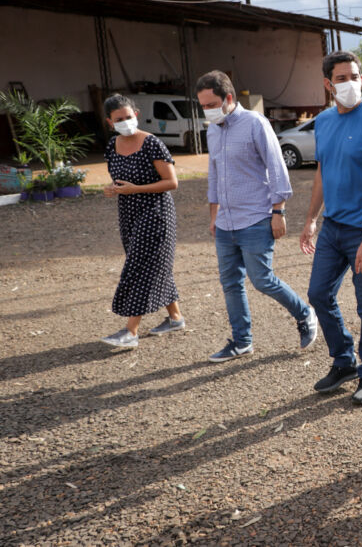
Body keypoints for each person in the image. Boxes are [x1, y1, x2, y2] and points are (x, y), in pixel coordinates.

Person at [197, 70, 317, 363]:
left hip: (256, 218)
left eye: (212, 104)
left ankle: (305, 314)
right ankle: (242, 341)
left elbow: (277, 167)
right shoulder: (212, 130)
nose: (207, 111)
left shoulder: (255, 124)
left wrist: (279, 212)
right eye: (202, 106)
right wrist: (214, 215)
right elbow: (214, 174)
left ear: (229, 98)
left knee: (262, 279)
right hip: (226, 222)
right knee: (230, 283)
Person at [301, 51, 362, 405]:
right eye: (340, 79)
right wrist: (311, 219)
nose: (349, 83)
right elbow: (322, 174)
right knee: (318, 294)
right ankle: (345, 361)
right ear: (328, 85)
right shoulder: (324, 122)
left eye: (354, 76)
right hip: (333, 227)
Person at [100, 94, 185, 348]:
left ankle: (131, 331)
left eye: (129, 116)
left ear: (136, 114)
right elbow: (120, 180)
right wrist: (112, 189)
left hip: (156, 214)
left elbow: (172, 183)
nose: (126, 121)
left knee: (140, 267)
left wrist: (135, 189)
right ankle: (176, 318)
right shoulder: (112, 146)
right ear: (109, 122)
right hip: (128, 214)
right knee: (152, 264)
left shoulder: (152, 143)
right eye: (119, 119)